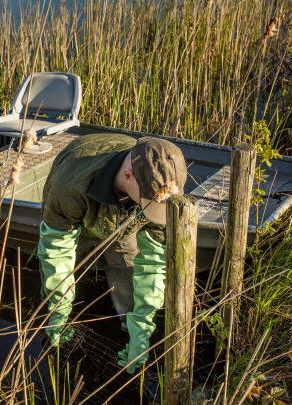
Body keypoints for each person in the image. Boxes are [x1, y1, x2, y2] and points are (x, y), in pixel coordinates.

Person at [38, 133, 187, 374]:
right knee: (62, 274)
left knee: (128, 277)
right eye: (150, 202)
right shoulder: (70, 185)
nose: (157, 211)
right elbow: (57, 253)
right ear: (128, 176)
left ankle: (130, 334)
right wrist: (58, 312)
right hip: (80, 213)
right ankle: (60, 321)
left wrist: (141, 330)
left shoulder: (158, 186)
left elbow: (152, 264)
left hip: (125, 219)